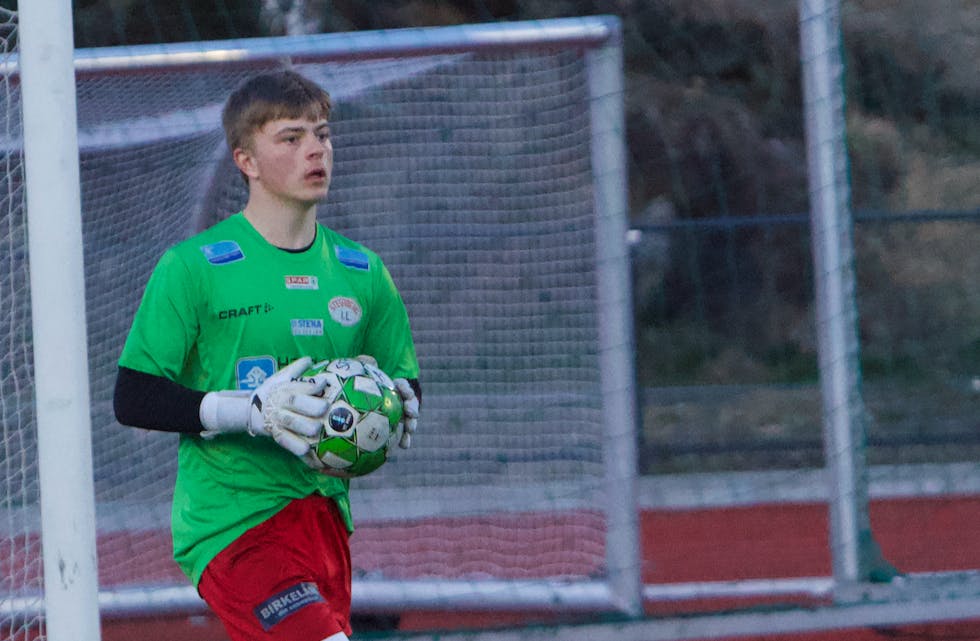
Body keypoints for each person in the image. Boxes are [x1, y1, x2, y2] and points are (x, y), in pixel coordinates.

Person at [113, 69, 420, 641]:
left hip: (325, 519)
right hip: (234, 526)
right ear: (246, 161)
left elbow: (399, 376)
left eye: (323, 135)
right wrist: (248, 411)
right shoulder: (194, 267)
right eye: (291, 137)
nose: (315, 150)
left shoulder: (363, 272)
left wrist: (401, 400)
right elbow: (133, 397)